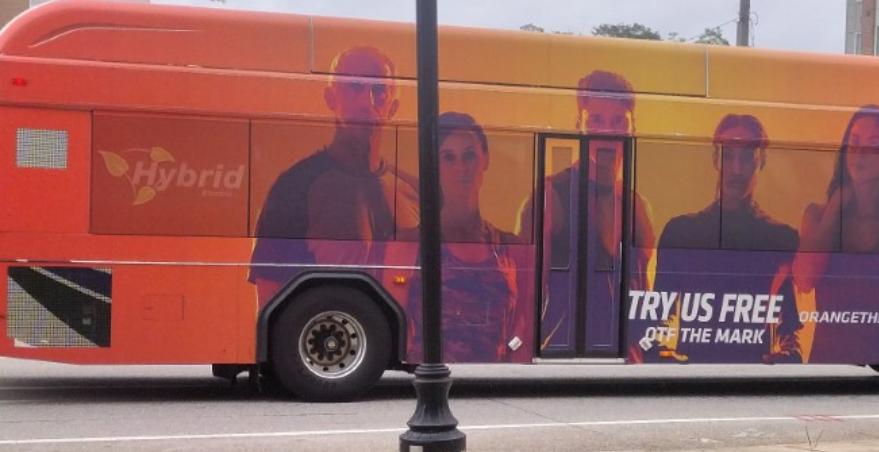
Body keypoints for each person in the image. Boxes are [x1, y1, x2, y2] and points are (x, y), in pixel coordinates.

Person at [248, 45, 414, 312]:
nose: (366, 101)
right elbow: (271, 297)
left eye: (379, 90)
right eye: (354, 86)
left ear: (393, 106)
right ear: (330, 98)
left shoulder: (413, 192)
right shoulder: (295, 185)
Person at [518, 70, 655, 356]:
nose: (607, 131)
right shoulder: (552, 193)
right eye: (596, 119)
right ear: (579, 124)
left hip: (626, 349)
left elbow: (644, 289)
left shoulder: (636, 203)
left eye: (618, 120)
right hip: (557, 343)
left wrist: (641, 347)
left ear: (632, 126)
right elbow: (529, 282)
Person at [654, 113, 800, 361]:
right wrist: (660, 354)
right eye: (728, 155)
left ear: (761, 161)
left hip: (754, 385)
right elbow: (656, 317)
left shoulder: (781, 238)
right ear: (715, 159)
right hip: (694, 383)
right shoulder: (680, 232)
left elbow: (789, 329)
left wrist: (787, 358)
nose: (736, 169)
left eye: (746, 158)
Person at [794, 105, 879, 364]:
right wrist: (836, 207)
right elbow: (805, 279)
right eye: (854, 141)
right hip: (826, 361)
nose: (860, 152)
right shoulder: (818, 215)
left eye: (874, 143)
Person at [401, 113, 528, 364]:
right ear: (435, 166)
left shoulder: (509, 246)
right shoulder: (412, 242)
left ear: (485, 159)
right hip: (432, 373)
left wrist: (511, 356)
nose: (461, 168)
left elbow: (521, 319)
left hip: (491, 376)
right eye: (449, 158)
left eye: (469, 155)